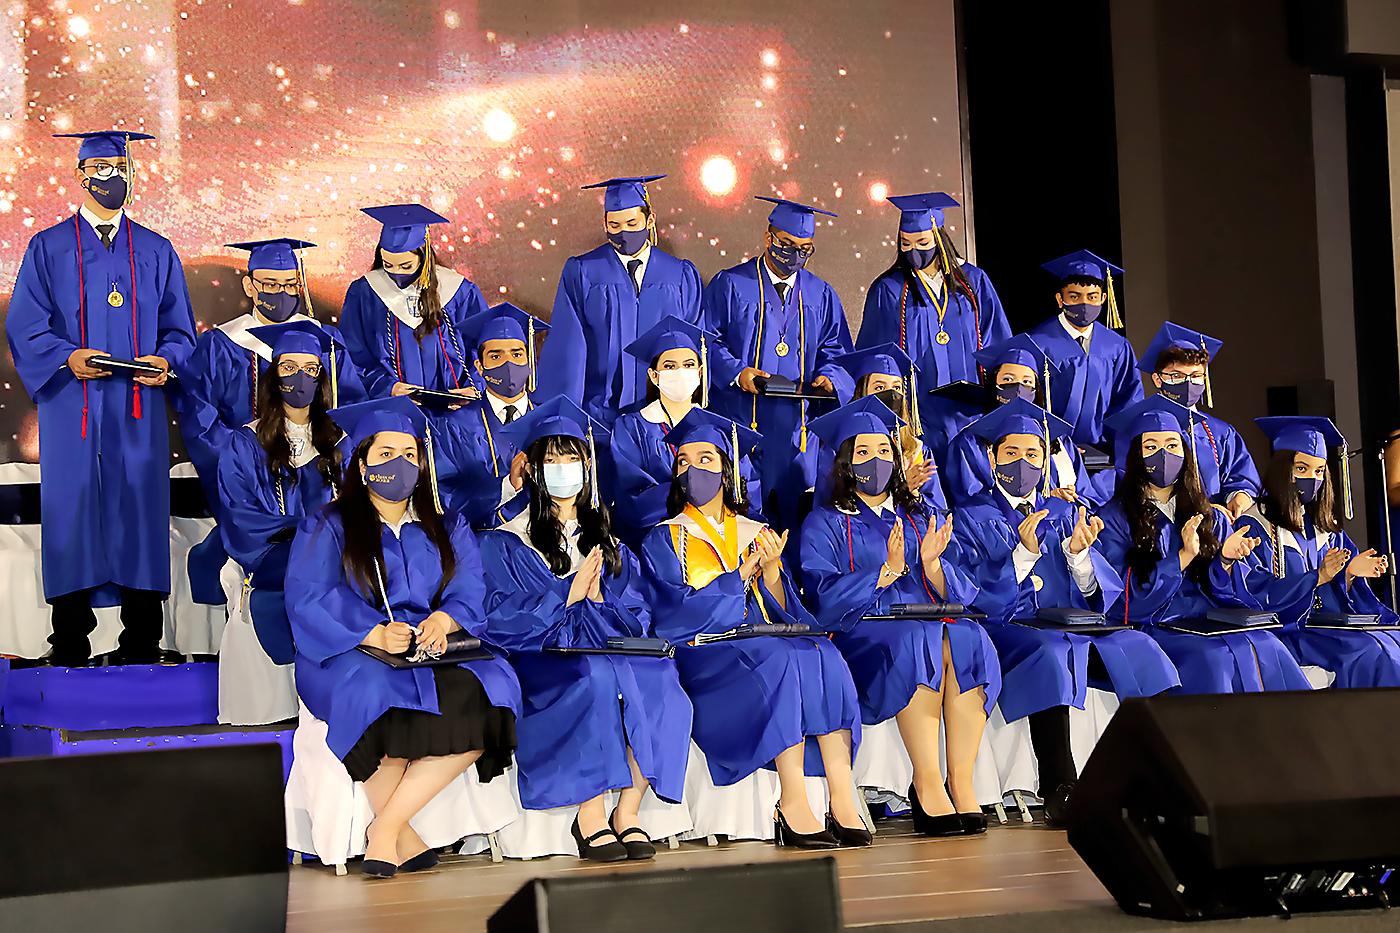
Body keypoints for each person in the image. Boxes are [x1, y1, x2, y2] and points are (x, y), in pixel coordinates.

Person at [286, 397, 520, 879]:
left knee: (489, 689)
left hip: (432, 648)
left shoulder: (445, 523)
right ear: (363, 462)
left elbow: (470, 586)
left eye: (410, 454)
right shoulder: (329, 525)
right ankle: (400, 836)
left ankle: (386, 829)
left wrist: (445, 620)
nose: (401, 464)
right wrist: (371, 632)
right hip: (351, 650)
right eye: (387, 452)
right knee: (371, 691)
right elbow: (310, 596)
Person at [6, 130, 196, 666]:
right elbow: (26, 325)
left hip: (137, 407)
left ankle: (141, 641)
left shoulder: (157, 250)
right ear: (81, 173)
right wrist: (66, 357)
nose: (113, 175)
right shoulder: (48, 247)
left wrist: (169, 362)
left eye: (121, 164)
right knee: (72, 512)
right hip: (73, 407)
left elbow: (180, 332)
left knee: (141, 509)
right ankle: (68, 641)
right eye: (102, 166)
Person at [639, 410, 866, 849]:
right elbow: (675, 615)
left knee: (822, 651)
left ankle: (841, 794)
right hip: (705, 654)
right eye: (683, 462)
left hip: (759, 641)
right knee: (778, 656)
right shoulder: (663, 538)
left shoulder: (755, 530)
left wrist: (774, 570)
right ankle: (793, 799)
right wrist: (742, 573)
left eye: (705, 459)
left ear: (726, 469)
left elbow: (783, 609)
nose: (693, 470)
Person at [480, 397, 692, 861]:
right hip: (545, 659)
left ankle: (628, 810)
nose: (562, 468)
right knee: (595, 678)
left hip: (606, 646)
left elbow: (638, 612)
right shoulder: (507, 539)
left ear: (587, 467)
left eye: (571, 457)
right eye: (550, 459)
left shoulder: (607, 539)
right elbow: (498, 619)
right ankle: (590, 813)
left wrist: (599, 600)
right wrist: (566, 596)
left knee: (663, 683)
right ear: (532, 470)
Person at [952, 399, 1180, 823]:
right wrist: (1022, 553)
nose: (1024, 463)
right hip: (1009, 631)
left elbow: (1097, 595)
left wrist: (1078, 557)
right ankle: (1061, 784)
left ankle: (1162, 775)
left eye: (1034, 454)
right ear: (991, 457)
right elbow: (973, 596)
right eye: (1012, 454)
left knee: (1140, 646)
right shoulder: (970, 516)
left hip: (1070, 627)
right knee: (1050, 653)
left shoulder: (1065, 511)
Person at [799, 398, 998, 837]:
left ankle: (960, 782)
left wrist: (930, 565)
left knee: (969, 638)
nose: (876, 462)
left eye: (885, 451)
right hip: (862, 635)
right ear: (845, 463)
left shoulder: (920, 515)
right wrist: (885, 572)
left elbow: (964, 590)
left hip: (923, 625)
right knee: (918, 640)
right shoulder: (824, 523)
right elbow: (823, 598)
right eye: (864, 453)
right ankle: (926, 783)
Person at [175, 236, 364, 603]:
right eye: (269, 284)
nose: (280, 292)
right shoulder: (221, 344)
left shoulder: (324, 343)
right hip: (249, 475)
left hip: (317, 469)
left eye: (289, 284)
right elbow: (199, 416)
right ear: (249, 285)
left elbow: (351, 407)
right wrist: (244, 458)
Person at [1094, 398, 1310, 695]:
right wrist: (1181, 558)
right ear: (1134, 455)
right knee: (1214, 658)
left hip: (1207, 621)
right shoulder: (1113, 518)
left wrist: (1225, 560)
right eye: (1151, 447)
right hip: (1155, 627)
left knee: (1266, 645)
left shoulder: (1207, 513)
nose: (1164, 455)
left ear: (1186, 453)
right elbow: (1124, 601)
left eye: (1172, 445)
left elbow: (1232, 592)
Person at [704, 196, 855, 532]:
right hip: (744, 427)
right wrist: (736, 372)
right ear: (768, 237)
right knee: (747, 520)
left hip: (798, 435)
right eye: (787, 245)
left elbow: (837, 349)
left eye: (805, 249)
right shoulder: (731, 284)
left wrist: (830, 377)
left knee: (797, 524)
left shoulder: (821, 294)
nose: (794, 255)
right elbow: (706, 341)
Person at [1233, 417, 1398, 687]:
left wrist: (1350, 572)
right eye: (1302, 468)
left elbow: (1338, 592)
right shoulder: (1255, 524)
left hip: (1326, 627)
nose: (1313, 478)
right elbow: (1253, 591)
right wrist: (1316, 577)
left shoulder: (1325, 526)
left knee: (1392, 644)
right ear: (1282, 468)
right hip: (1289, 631)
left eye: (1320, 471)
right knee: (1371, 653)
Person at [216, 321, 345, 667]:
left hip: (335, 546)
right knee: (313, 564)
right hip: (272, 551)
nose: (299, 377)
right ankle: (314, 664)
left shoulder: (340, 441)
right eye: (289, 367)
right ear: (274, 376)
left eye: (309, 369)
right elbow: (238, 514)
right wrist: (303, 531)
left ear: (320, 378)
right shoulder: (244, 442)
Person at [534, 175, 703, 424]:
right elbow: (568, 347)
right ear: (604, 223)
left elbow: (693, 344)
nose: (624, 233)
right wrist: (564, 419)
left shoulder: (680, 275)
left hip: (663, 414)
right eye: (614, 225)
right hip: (599, 412)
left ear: (650, 219)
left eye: (632, 223)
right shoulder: (583, 271)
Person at [610, 315, 763, 545]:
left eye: (689, 365)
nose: (680, 372)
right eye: (670, 366)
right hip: (657, 544)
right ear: (654, 376)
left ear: (700, 373)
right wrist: (695, 489)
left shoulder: (720, 428)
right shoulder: (631, 427)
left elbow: (747, 488)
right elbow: (631, 501)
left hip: (719, 541)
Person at [856, 192, 1009, 391]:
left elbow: (996, 339)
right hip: (917, 405)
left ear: (939, 239)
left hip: (971, 403)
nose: (913, 250)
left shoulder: (973, 281)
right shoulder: (889, 288)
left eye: (922, 243)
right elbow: (875, 351)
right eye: (905, 244)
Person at [339, 203, 487, 404]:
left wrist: (474, 386)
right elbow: (353, 352)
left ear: (424, 257)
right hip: (392, 410)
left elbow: (482, 345)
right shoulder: (365, 292)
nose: (396, 273)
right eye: (388, 265)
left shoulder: (460, 291)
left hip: (455, 410)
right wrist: (387, 387)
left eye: (405, 265)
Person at [942, 334, 1099, 508]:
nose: (1018, 387)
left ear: (1036, 389)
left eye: (1026, 381)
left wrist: (1068, 503)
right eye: (1008, 380)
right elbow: (968, 501)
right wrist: (1043, 501)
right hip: (999, 531)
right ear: (994, 384)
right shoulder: (969, 442)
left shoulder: (1059, 441)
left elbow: (1088, 497)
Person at [434, 302, 548, 530]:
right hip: (480, 542)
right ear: (479, 366)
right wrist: (505, 487)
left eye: (517, 354)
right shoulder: (453, 426)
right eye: (496, 357)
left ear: (529, 361)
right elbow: (443, 500)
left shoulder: (549, 422)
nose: (509, 364)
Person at [1135, 322, 1260, 517]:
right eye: (1176, 376)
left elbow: (1241, 475)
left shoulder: (1220, 432)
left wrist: (1240, 496)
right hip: (1158, 526)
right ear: (1157, 379)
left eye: (1195, 376)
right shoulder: (1139, 428)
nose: (1187, 383)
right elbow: (1129, 483)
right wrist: (1201, 509)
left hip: (1217, 530)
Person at [1026, 250, 1142, 451]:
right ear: (1060, 299)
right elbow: (1028, 402)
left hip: (1105, 456)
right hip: (1052, 453)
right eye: (1075, 296)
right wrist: (1050, 442)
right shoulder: (1037, 343)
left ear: (1103, 298)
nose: (1084, 303)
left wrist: (1118, 448)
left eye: (1092, 296)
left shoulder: (1116, 346)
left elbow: (1127, 401)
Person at [830, 343, 945, 507]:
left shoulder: (917, 451)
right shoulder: (839, 446)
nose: (891, 394)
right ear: (862, 392)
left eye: (897, 387)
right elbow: (831, 505)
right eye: (879, 387)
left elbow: (937, 510)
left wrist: (912, 494)